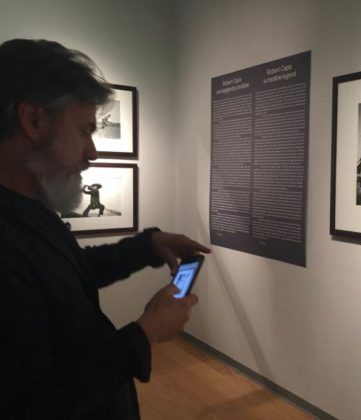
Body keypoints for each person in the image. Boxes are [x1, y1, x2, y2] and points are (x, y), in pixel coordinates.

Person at [0, 39, 211, 419]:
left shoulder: (30, 207)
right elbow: (34, 405)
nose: (93, 152)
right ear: (32, 120)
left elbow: (69, 272)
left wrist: (147, 245)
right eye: (84, 130)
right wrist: (145, 333)